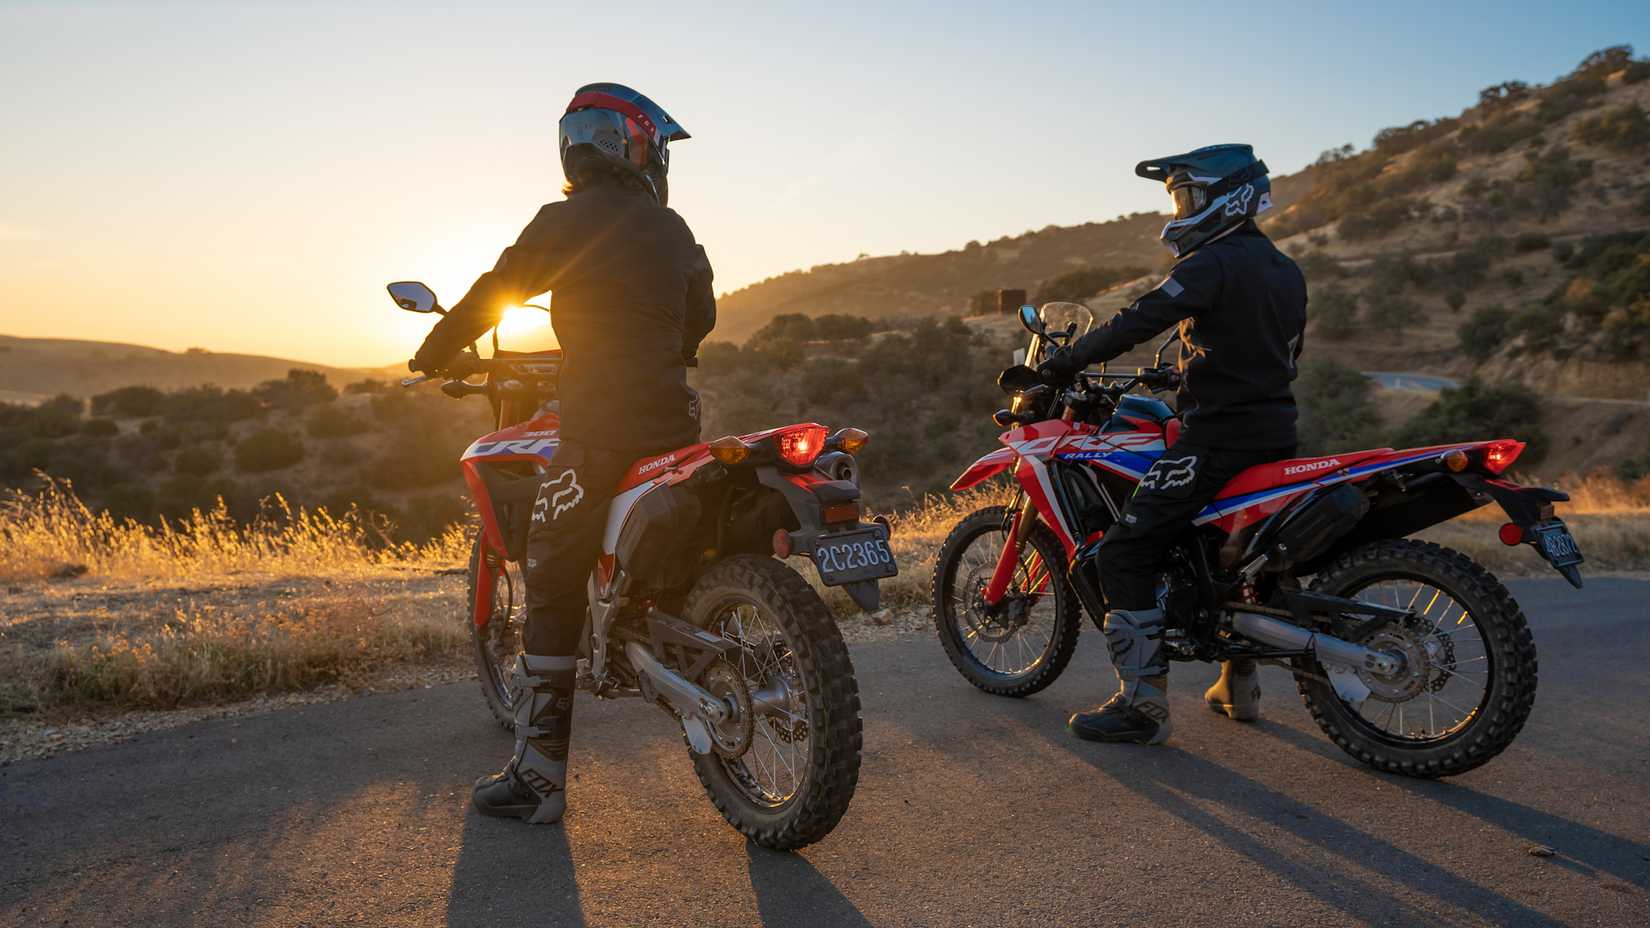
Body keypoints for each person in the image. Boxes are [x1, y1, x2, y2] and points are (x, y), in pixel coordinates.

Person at [410, 83, 716, 822]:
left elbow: (496, 292)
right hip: (676, 425)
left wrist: (433, 350)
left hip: (598, 430)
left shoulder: (563, 222)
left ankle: (540, 779)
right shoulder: (670, 226)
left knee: (550, 566)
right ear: (634, 145)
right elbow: (701, 315)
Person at [1037, 144, 1307, 745]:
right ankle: (1238, 685)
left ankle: (1142, 708)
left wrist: (1064, 363)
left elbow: (1140, 318)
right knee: (1230, 555)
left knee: (1124, 554)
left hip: (1217, 440)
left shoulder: (1211, 263)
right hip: (1276, 433)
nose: (1182, 207)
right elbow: (1271, 354)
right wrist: (1188, 374)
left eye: (1189, 195)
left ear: (1228, 196)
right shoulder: (1285, 268)